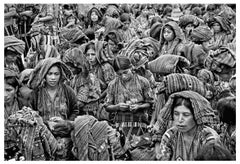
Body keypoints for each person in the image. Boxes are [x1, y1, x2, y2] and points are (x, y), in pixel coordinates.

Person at [28, 57, 79, 160]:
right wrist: (46, 123)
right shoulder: (36, 94)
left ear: (60, 76)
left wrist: (66, 122)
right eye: (49, 74)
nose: (53, 78)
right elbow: (30, 115)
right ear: (44, 75)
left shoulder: (68, 91)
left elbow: (75, 110)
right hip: (42, 137)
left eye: (56, 74)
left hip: (65, 136)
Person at [153, 91, 221, 160]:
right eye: (176, 114)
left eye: (186, 115)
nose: (180, 119)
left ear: (197, 116)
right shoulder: (170, 135)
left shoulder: (208, 137)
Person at [105, 55, 154, 141]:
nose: (123, 76)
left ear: (131, 67)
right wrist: (117, 107)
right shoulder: (112, 85)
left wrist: (139, 107)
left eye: (125, 72)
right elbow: (107, 106)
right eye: (119, 74)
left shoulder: (143, 82)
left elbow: (150, 103)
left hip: (139, 122)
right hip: (120, 123)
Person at [62, 48, 101, 117]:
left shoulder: (85, 79)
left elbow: (80, 102)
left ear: (77, 66)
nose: (68, 70)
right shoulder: (74, 77)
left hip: (87, 114)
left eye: (70, 68)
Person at [4, 68, 29, 160]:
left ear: (16, 89)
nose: (4, 95)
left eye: (8, 90)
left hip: (20, 148)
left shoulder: (23, 105)